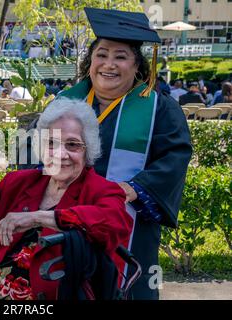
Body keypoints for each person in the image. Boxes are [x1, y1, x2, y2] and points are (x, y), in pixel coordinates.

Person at [54, 8, 192, 299]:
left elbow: (175, 157)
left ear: (136, 65)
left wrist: (134, 189)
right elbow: (32, 158)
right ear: (90, 61)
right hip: (65, 223)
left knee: (128, 289)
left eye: (120, 56)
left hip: (129, 226)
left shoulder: (160, 109)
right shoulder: (63, 104)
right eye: (101, 55)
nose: (109, 64)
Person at [0, 98, 133, 300]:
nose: (60, 154)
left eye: (72, 144)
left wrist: (38, 218)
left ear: (88, 150)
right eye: (52, 143)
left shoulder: (103, 191)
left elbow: (113, 223)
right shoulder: (21, 182)